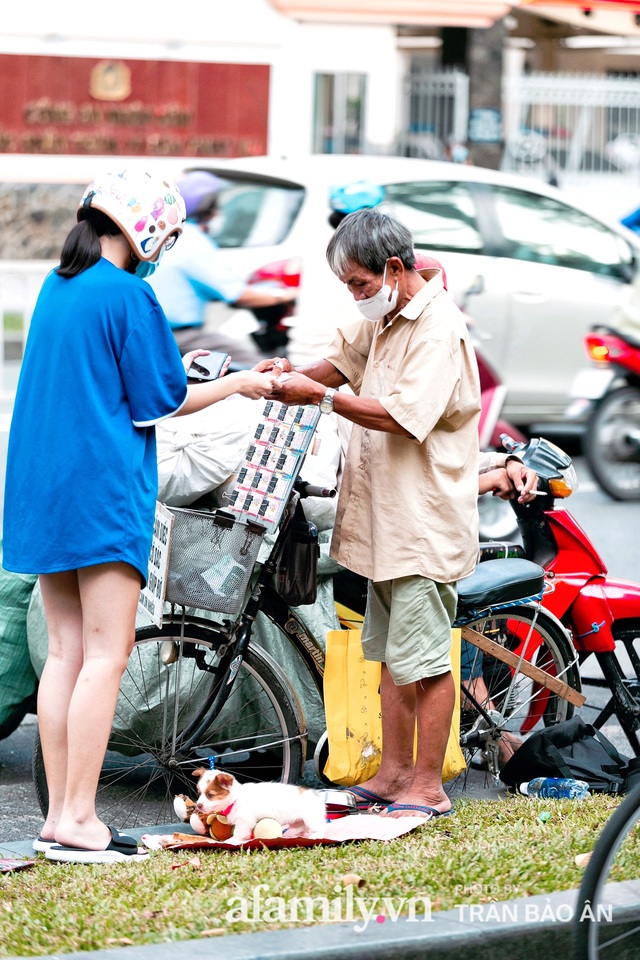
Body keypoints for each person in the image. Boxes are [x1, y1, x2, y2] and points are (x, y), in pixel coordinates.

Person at [1, 170, 276, 864]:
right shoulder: (129, 294)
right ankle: (80, 817)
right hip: (101, 489)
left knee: (64, 653)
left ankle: (60, 817)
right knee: (108, 654)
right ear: (148, 229)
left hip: (42, 487)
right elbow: (161, 399)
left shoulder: (58, 286)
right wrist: (240, 381)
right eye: (171, 235)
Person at [259, 208, 482, 819]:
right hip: (384, 522)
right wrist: (282, 379)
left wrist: (323, 398)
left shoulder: (438, 330)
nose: (357, 297)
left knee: (429, 660)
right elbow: (339, 362)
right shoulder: (385, 315)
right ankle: (392, 774)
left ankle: (427, 786)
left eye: (360, 285)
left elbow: (400, 416)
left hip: (420, 524)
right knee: (386, 655)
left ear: (391, 268)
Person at [147, 170, 295, 360]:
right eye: (215, 205)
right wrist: (284, 296)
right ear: (206, 207)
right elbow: (237, 295)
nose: (219, 212)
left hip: (158, 333)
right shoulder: (192, 239)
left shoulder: (172, 234)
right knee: (259, 368)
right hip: (180, 337)